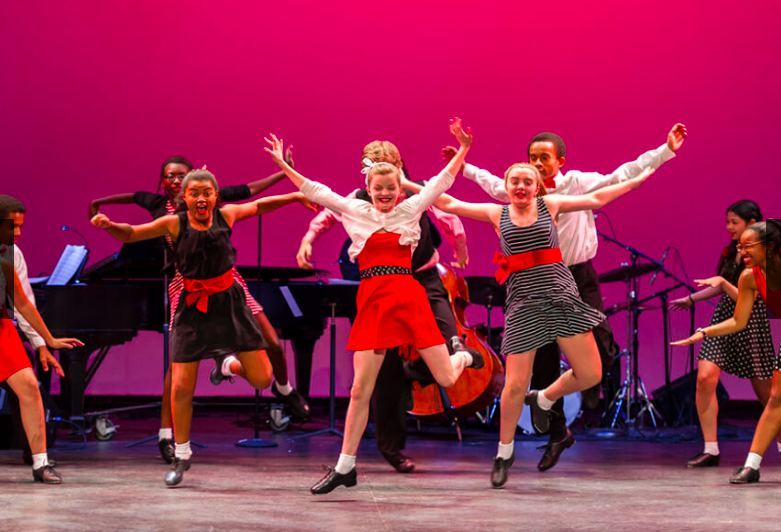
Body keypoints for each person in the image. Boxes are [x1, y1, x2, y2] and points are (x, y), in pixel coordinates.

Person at [440, 124, 687, 470]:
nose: (537, 165)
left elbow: (623, 175)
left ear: (560, 161)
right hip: (531, 284)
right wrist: (462, 165)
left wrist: (664, 152)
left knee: (601, 351)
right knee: (540, 363)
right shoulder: (520, 188)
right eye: (531, 159)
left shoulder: (576, 185)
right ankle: (556, 430)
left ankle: (573, 400)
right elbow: (487, 184)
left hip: (576, 277)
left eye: (544, 159)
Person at [402, 162, 657, 487]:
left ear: (538, 187)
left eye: (527, 182)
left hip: (561, 296)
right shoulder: (498, 214)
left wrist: (637, 179)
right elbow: (447, 203)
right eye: (514, 182)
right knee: (515, 384)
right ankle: (504, 453)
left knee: (591, 373)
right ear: (506, 186)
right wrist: (405, 181)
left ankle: (545, 397)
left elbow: (600, 198)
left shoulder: (550, 204)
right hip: (523, 303)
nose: (521, 187)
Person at [264, 118, 483, 494]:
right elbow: (315, 191)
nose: (384, 193)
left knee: (447, 377)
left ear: (400, 189)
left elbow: (443, 182)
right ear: (368, 188)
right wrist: (284, 165)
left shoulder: (410, 210)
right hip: (373, 301)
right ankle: (345, 466)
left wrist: (464, 148)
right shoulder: (354, 211)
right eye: (377, 188)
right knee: (360, 390)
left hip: (408, 297)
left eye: (390, 188)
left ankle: (463, 356)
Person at [91, 170, 314, 486]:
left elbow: (261, 205)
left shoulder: (227, 215)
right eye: (194, 193)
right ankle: (182, 454)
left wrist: (295, 196)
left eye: (206, 192)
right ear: (184, 197)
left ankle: (227, 365)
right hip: (192, 305)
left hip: (230, 303)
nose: (201, 198)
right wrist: (111, 226)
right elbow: (132, 233)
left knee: (263, 378)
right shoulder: (174, 223)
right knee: (182, 386)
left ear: (215, 195)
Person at [669, 201, 777, 468]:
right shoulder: (731, 253)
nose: (729, 227)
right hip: (725, 318)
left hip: (753, 323)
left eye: (734, 222)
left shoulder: (766, 259)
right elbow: (721, 285)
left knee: (769, 396)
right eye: (727, 221)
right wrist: (691, 299)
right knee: (705, 377)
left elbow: (749, 297)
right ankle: (711, 449)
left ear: (752, 223)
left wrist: (724, 283)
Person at [1, 195, 83, 483]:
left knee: (29, 389)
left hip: (2, 331)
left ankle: (40, 463)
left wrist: (47, 341)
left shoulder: (8, 256)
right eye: (14, 227)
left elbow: (23, 304)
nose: (19, 233)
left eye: (21, 227)